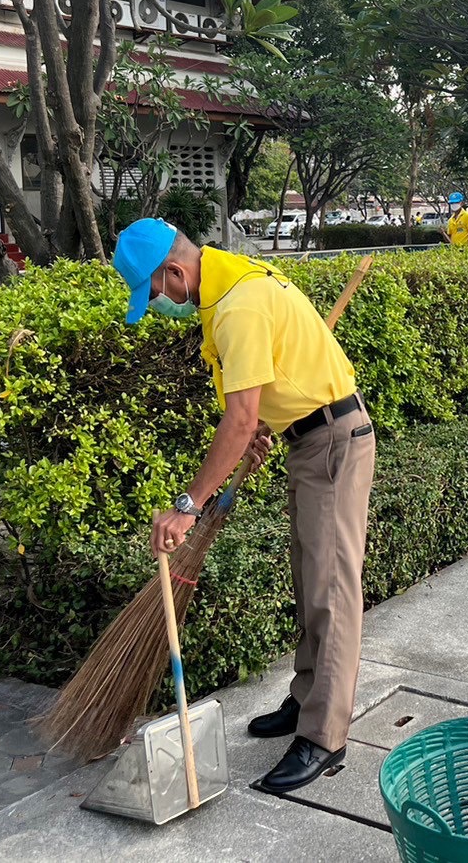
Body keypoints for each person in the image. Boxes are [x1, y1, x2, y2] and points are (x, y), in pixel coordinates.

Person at [112, 218, 375, 795]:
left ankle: (324, 736)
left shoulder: (238, 305)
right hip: (309, 437)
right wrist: (269, 422)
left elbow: (238, 418)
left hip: (333, 442)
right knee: (309, 577)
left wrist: (188, 505)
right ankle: (307, 699)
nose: (157, 306)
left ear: (174, 272)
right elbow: (261, 396)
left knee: (331, 590)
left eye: (153, 294)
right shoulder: (225, 287)